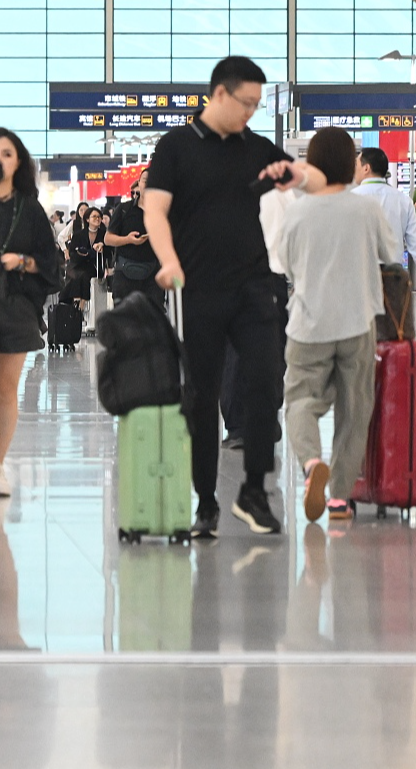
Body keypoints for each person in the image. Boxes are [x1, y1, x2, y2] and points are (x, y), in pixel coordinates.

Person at [144, 55, 307, 538]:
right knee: (201, 394)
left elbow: (304, 180)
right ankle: (206, 501)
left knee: (263, 383)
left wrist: (298, 175)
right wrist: (168, 260)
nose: (251, 113)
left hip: (255, 285)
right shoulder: (175, 147)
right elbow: (155, 211)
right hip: (198, 288)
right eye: (246, 103)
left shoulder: (255, 147)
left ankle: (254, 491)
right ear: (219, 94)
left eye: (258, 105)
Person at [275, 128, 395, 523]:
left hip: (308, 324)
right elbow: (391, 257)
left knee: (299, 402)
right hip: (357, 321)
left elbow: (286, 266)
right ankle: (341, 498)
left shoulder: (297, 210)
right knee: (354, 410)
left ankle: (312, 463)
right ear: (351, 165)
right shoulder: (366, 209)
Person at [0, 128, 59, 501]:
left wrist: (22, 261)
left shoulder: (29, 208)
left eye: (7, 153)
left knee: (6, 388)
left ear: (18, 162)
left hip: (15, 303)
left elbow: (51, 263)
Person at [352, 147, 416, 272]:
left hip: (361, 274)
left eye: (356, 165)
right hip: (393, 275)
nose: (354, 169)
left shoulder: (351, 199)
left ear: (366, 168)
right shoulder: (403, 200)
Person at [103, 177, 161, 307]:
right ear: (138, 183)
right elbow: (108, 239)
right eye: (145, 180)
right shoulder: (124, 209)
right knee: (124, 318)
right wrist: (128, 239)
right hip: (125, 273)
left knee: (152, 318)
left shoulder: (162, 211)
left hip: (153, 274)